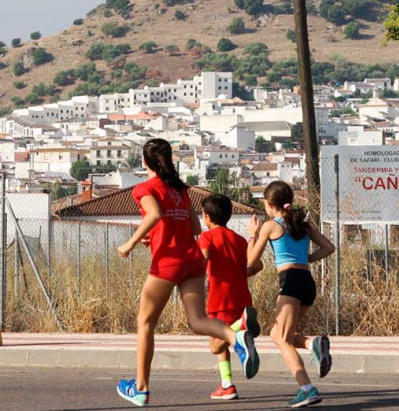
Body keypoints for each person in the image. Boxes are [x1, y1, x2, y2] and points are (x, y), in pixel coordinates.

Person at [115, 139, 259, 407]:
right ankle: (235, 338)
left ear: (144, 162)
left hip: (168, 261)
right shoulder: (180, 190)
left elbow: (155, 214)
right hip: (192, 260)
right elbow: (194, 227)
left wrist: (131, 243)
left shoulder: (144, 188)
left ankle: (141, 388)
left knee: (145, 323)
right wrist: (153, 236)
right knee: (197, 320)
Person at [248, 181, 335, 408]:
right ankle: (311, 344)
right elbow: (329, 247)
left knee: (283, 339)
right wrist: (307, 259)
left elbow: (252, 261)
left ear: (269, 204)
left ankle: (307, 388)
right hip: (307, 282)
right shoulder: (302, 224)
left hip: (290, 283)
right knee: (277, 335)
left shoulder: (270, 226)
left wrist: (252, 236)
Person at [198, 194, 264, 400]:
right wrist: (238, 273)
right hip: (242, 297)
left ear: (207, 216)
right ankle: (226, 384)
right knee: (222, 344)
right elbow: (257, 265)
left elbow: (203, 259)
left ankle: (239, 328)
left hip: (220, 298)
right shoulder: (239, 239)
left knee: (215, 345)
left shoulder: (206, 237)